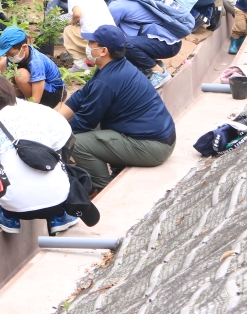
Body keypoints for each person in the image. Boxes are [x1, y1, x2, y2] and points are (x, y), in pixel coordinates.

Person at [58, 25, 176, 192]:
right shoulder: (115, 65)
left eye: (92, 43)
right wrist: (55, 120)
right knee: (85, 129)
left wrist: (54, 136)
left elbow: (83, 122)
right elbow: (81, 96)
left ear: (103, 51)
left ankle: (102, 188)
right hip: (156, 136)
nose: (88, 46)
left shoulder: (107, 80)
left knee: (77, 142)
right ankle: (115, 169)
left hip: (154, 146)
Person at [0, 76, 77, 235]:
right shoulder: (37, 110)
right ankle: (59, 217)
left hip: (16, 207)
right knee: (50, 161)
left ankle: (8, 218)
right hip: (59, 198)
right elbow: (64, 132)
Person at [89, 0, 183, 90]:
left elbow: (107, 35)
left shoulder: (116, 6)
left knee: (121, 44)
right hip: (166, 41)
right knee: (124, 44)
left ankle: (158, 72)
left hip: (166, 44)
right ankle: (150, 68)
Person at [54, 0, 116, 72]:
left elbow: (77, 14)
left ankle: (80, 65)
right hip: (112, 34)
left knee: (68, 30)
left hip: (97, 38)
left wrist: (71, 22)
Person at [0, 26, 66, 107]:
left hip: (53, 93)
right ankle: (20, 101)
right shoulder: (15, 56)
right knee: (3, 63)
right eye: (7, 54)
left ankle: (31, 108)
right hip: (34, 86)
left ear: (24, 47)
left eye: (12, 54)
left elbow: (36, 99)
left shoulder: (36, 62)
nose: (9, 57)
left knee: (21, 75)